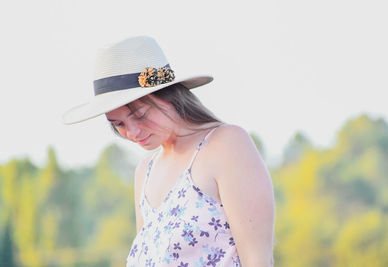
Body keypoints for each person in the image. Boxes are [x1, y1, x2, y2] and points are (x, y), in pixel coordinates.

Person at [62, 36, 275, 266]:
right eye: (119, 124)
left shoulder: (226, 145)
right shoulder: (145, 171)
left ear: (169, 96)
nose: (132, 132)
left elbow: (258, 259)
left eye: (140, 115)